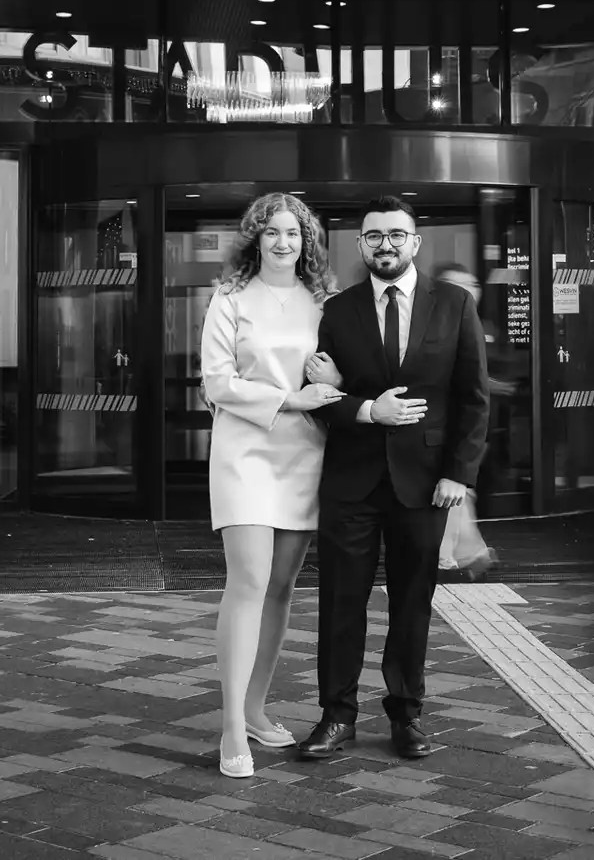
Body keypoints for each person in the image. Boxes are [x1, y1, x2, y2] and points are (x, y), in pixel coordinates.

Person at [295, 196, 489, 761]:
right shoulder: (338, 310)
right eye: (374, 235)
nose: (386, 244)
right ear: (360, 245)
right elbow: (320, 402)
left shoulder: (453, 304)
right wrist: (360, 404)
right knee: (340, 602)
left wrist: (460, 473)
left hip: (426, 483)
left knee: (412, 603)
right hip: (351, 481)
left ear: (415, 243)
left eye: (396, 235)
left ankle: (406, 715)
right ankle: (336, 716)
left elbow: (472, 399)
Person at [200, 192, 344, 779]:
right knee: (250, 580)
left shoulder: (324, 301)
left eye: (293, 233)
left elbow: (345, 369)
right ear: (254, 239)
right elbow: (216, 382)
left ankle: (257, 708)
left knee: (281, 587)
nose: (283, 242)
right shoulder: (230, 297)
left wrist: (332, 381)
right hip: (245, 450)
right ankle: (232, 725)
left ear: (307, 240)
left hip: (305, 452)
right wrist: (291, 397)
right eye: (272, 232)